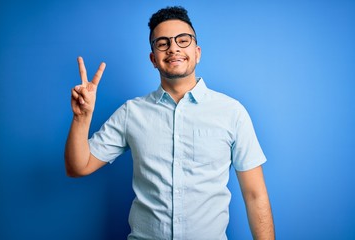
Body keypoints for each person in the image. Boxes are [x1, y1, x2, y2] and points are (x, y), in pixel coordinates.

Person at [65, 6, 275, 240]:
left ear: (197, 52)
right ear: (153, 59)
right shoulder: (131, 113)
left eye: (182, 40)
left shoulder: (232, 112)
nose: (173, 47)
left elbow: (255, 195)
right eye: (163, 43)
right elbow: (78, 166)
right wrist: (81, 118)